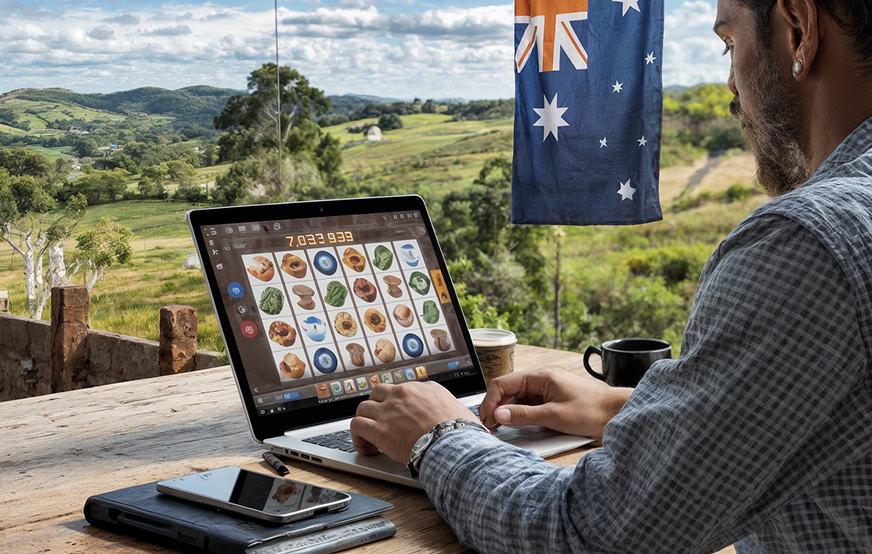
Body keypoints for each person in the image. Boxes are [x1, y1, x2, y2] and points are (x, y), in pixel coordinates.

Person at [350, 0, 872, 551]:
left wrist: (439, 434)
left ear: (799, 28)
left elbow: (593, 533)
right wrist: (621, 408)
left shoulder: (811, 244)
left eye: (729, 43)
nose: (730, 85)